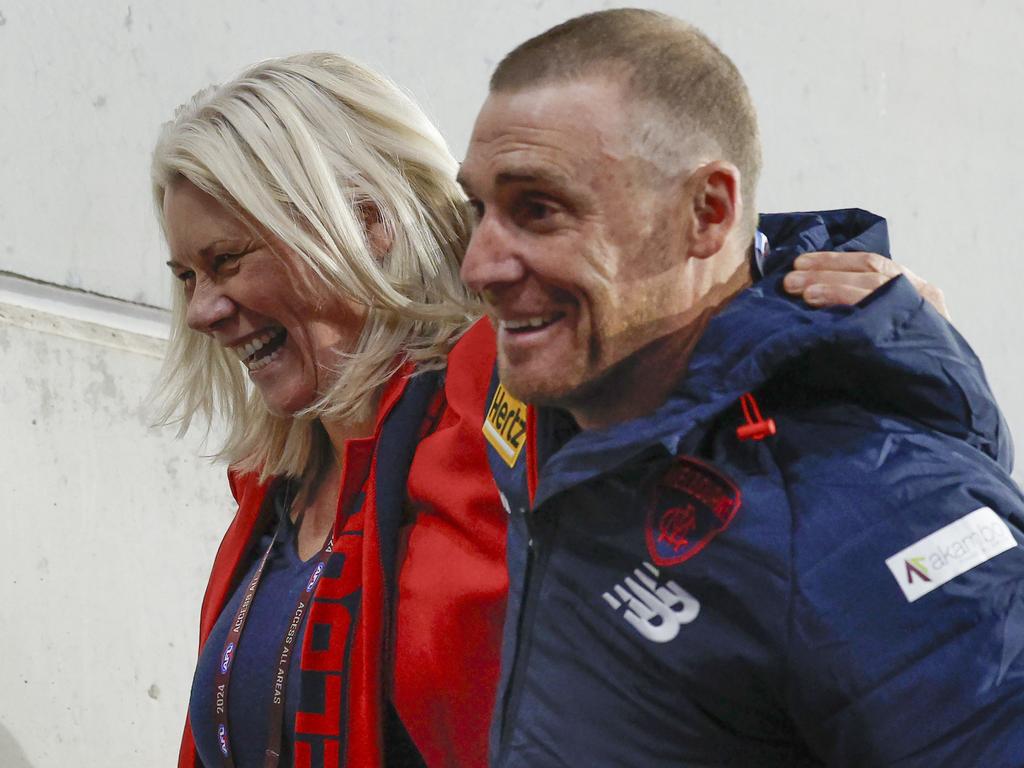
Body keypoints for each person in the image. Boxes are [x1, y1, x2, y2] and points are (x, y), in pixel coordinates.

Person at [154, 50, 951, 768]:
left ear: (364, 223)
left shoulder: (505, 401)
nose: (202, 309)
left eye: (228, 260)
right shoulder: (272, 489)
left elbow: (659, 294)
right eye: (187, 275)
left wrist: (870, 323)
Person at [457, 9, 1024, 767]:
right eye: (479, 210)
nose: (480, 266)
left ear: (707, 214)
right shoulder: (566, 401)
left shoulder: (877, 502)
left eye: (540, 209)